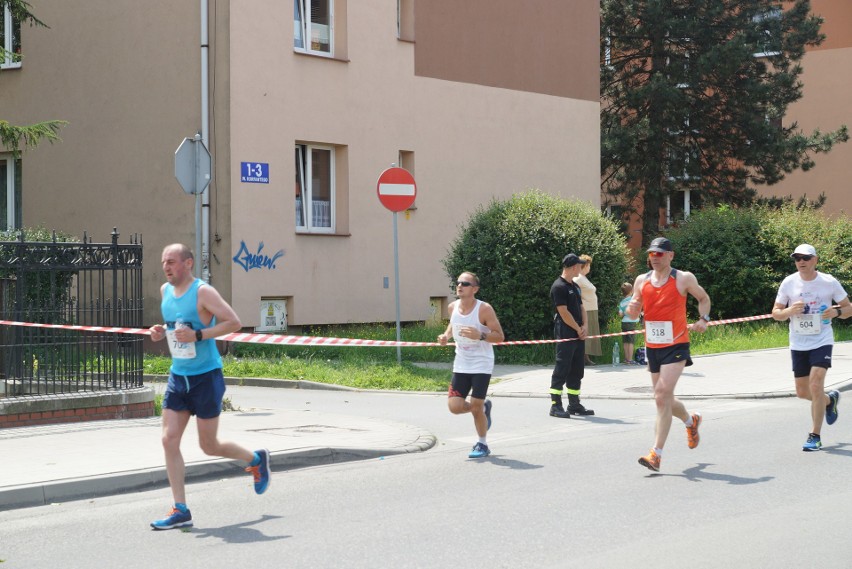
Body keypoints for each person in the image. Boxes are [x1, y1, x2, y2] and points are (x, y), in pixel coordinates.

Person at [148, 244, 271, 530]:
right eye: (164, 262)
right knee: (169, 440)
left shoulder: (203, 292)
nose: (166, 267)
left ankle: (255, 459)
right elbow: (175, 327)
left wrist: (199, 334)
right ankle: (180, 509)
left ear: (188, 263)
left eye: (172, 262)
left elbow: (234, 322)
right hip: (179, 376)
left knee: (209, 446)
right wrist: (159, 332)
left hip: (206, 377)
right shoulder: (166, 293)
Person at [625, 237, 710, 472]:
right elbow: (633, 311)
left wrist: (704, 319)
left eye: (660, 254)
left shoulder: (683, 278)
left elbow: (703, 299)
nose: (654, 257)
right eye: (652, 254)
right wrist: (632, 310)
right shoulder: (641, 280)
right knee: (663, 398)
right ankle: (691, 421)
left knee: (661, 395)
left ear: (670, 255)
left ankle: (656, 454)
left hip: (676, 345)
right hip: (653, 346)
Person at [772, 244, 851, 451]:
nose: (801, 262)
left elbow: (848, 308)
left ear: (815, 259)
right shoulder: (789, 282)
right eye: (797, 258)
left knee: (816, 384)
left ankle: (814, 435)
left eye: (805, 258)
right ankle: (829, 400)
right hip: (798, 342)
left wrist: (837, 312)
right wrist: (789, 310)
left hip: (822, 340)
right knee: (802, 392)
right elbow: (775, 313)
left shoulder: (828, 282)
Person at [438, 272, 505, 458]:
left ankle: (482, 444)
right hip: (461, 362)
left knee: (475, 406)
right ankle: (484, 409)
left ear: (474, 289)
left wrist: (481, 335)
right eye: (458, 282)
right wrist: (446, 336)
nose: (459, 286)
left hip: (481, 363)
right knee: (454, 406)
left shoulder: (484, 309)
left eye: (465, 283)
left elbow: (499, 336)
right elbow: (453, 326)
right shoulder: (452, 307)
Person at [550, 253, 594, 418]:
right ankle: (555, 405)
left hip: (578, 332)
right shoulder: (558, 286)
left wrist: (585, 327)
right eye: (579, 265)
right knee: (562, 368)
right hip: (566, 332)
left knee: (576, 369)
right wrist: (577, 328)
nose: (581, 267)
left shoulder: (575, 286)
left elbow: (582, 307)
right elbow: (563, 312)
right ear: (573, 266)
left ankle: (574, 404)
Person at [574, 254, 601, 365]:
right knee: (586, 334)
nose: (590, 267)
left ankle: (586, 358)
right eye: (589, 265)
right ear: (584, 266)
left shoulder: (584, 278)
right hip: (586, 310)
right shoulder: (578, 278)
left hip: (592, 309)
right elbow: (576, 294)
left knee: (590, 334)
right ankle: (583, 358)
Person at [618, 282, 642, 364]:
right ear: (631, 291)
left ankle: (626, 359)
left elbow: (620, 314)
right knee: (631, 341)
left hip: (624, 323)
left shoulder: (622, 302)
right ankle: (630, 359)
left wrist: (625, 313)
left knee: (625, 341)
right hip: (631, 323)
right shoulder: (633, 300)